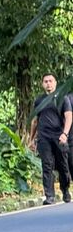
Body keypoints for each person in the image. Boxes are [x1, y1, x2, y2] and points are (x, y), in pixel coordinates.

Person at [29, 73, 71, 204]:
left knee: (63, 166)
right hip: (44, 138)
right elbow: (35, 121)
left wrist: (65, 134)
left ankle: (65, 190)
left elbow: (69, 117)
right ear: (42, 84)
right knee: (47, 165)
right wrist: (31, 139)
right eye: (45, 81)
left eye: (50, 81)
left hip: (59, 137)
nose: (48, 83)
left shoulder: (62, 98)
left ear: (55, 83)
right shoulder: (39, 101)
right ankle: (49, 196)